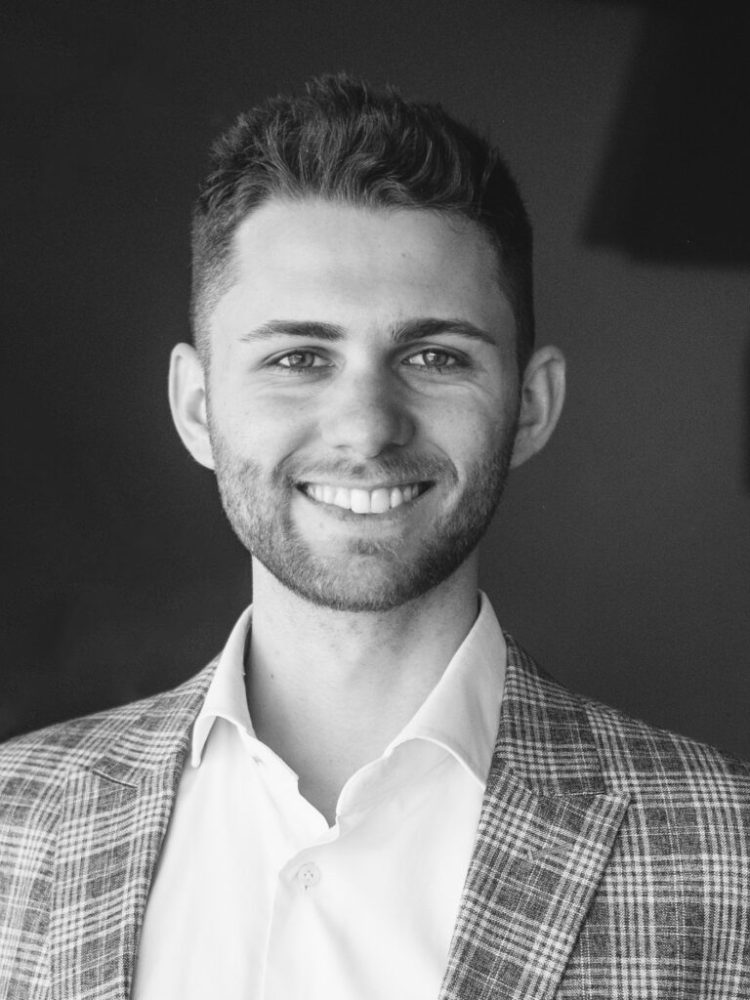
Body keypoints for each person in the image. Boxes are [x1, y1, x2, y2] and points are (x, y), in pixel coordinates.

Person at [1, 74, 748, 1000]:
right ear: (197, 407)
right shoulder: (12, 820)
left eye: (435, 357)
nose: (365, 428)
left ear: (531, 405)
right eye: (297, 358)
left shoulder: (730, 854)